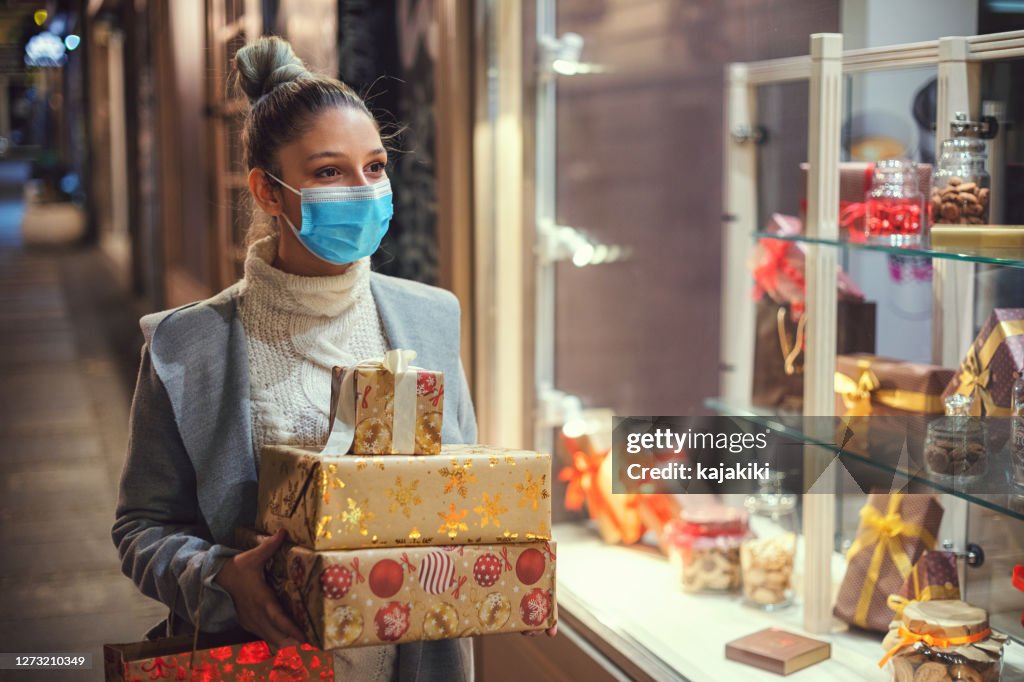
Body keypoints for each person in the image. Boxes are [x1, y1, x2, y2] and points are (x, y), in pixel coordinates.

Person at [112, 36, 478, 681]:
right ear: (268, 191)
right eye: (329, 172)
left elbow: (460, 492)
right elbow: (142, 528)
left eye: (375, 167)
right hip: (261, 663)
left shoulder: (431, 316)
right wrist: (221, 577)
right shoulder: (186, 346)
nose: (363, 190)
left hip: (413, 662)